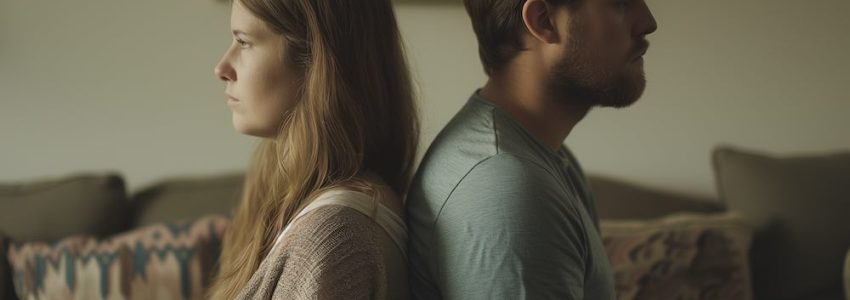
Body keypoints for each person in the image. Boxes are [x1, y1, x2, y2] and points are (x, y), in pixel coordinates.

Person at [406, 0, 657, 298]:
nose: (648, 21)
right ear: (543, 21)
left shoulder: (547, 158)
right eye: (621, 3)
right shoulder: (504, 188)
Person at [207, 0, 418, 298]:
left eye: (244, 42)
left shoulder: (335, 237)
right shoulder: (287, 192)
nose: (221, 68)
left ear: (314, 60)